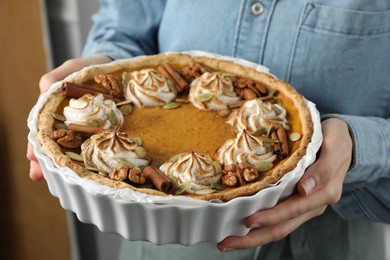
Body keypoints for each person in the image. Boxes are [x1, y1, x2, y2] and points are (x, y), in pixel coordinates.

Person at [27, 1, 390, 259]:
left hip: (335, 237)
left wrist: (360, 145)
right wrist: (105, 66)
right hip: (159, 241)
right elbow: (125, 26)